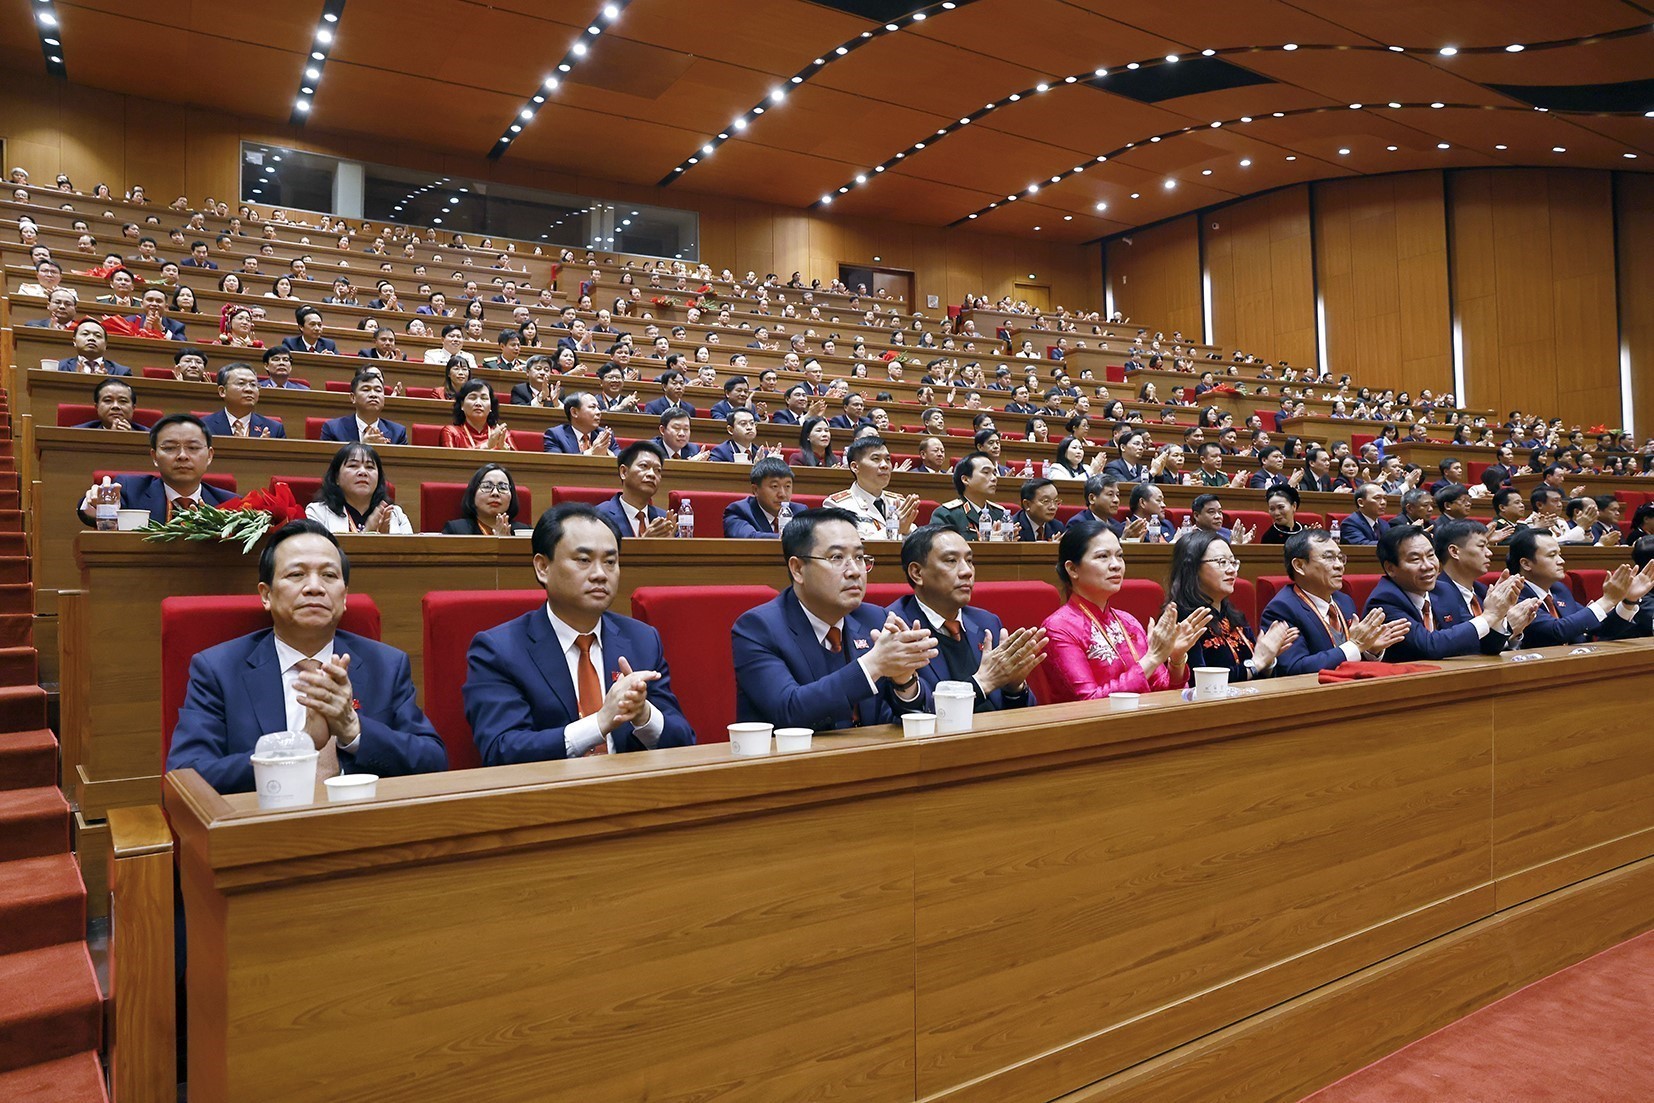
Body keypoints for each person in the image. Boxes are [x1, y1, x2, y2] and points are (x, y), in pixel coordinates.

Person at [165, 520, 446, 793]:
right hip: (267, 821)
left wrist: (353, 729)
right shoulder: (218, 670)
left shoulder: (386, 665)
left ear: (344, 597)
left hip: (364, 819)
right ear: (266, 595)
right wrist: (299, 746)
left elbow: (433, 761)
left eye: (329, 575)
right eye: (296, 574)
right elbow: (184, 778)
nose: (315, 587)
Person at [463, 503, 696, 763]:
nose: (600, 574)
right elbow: (501, 750)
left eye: (610, 562)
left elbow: (683, 742)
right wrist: (599, 723)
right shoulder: (498, 650)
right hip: (549, 788)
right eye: (584, 560)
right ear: (543, 567)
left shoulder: (642, 640)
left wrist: (644, 715)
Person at [731, 508, 937, 730]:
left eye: (859, 557)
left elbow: (916, 713)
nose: (855, 571)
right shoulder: (758, 628)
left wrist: (904, 680)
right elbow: (788, 710)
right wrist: (873, 665)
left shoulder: (876, 619)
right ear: (798, 569)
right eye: (837, 557)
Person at [1040, 519, 1209, 701]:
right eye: (1102, 556)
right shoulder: (1058, 628)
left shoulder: (1128, 621)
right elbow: (1088, 701)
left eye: (1119, 555)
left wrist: (1176, 659)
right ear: (1073, 569)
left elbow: (1165, 692)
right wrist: (1152, 658)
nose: (1116, 565)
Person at [887, 526, 1046, 709]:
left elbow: (1019, 714)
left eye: (969, 561)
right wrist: (980, 684)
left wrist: (1014, 688)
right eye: (951, 560)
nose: (967, 571)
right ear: (917, 573)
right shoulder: (896, 629)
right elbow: (911, 714)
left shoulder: (987, 622)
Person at [1363, 525, 1530, 661]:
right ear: (1391, 568)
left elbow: (1482, 644)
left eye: (1431, 555)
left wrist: (1499, 616)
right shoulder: (1384, 600)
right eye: (1415, 559)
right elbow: (1429, 647)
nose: (1428, 566)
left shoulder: (1444, 590)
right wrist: (1490, 615)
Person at [1258, 530, 1411, 675]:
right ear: (1299, 566)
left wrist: (1369, 650)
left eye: (1340, 557)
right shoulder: (1282, 609)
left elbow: (1352, 657)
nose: (1339, 565)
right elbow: (1294, 669)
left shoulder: (1344, 601)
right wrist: (1355, 645)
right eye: (1329, 557)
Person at [1165, 529, 1298, 682]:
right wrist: (1256, 663)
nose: (1232, 570)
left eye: (1233, 562)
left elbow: (1256, 672)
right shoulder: (1181, 619)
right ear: (1192, 567)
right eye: (1222, 562)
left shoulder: (1233, 616)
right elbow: (1199, 682)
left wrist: (1267, 661)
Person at [74, 414, 235, 525]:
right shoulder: (131, 490)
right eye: (170, 448)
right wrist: (98, 506)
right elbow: (92, 512)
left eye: (193, 448)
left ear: (209, 456)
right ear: (154, 456)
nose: (182, 456)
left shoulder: (230, 504)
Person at [1505, 529, 1651, 646]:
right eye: (1552, 555)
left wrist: (1629, 601)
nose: (1561, 561)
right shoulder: (1514, 595)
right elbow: (1557, 631)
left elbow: (1602, 627)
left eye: (1559, 554)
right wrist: (1607, 600)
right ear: (1526, 564)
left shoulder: (1559, 590)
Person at [1433, 519, 1541, 643]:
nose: (1489, 553)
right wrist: (1505, 624)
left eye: (1487, 546)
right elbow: (1459, 645)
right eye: (1481, 546)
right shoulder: (1436, 595)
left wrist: (1512, 635)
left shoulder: (1483, 591)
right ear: (1454, 551)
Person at [822, 436, 920, 539]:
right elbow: (849, 545)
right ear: (855, 467)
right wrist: (893, 528)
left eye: (887, 459)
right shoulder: (837, 505)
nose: (885, 465)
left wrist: (906, 532)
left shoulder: (899, 502)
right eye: (876, 459)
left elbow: (917, 545)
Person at [306, 444, 413, 534]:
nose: (363, 472)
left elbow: (411, 551)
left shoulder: (396, 514)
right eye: (353, 466)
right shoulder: (317, 512)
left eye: (370, 467)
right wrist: (368, 533)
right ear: (336, 478)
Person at [594, 440, 673, 538]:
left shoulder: (664, 520)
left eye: (658, 470)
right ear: (624, 472)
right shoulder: (600, 516)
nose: (652, 474)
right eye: (644, 466)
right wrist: (645, 543)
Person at [930, 452, 1011, 539]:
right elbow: (940, 546)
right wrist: (989, 542)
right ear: (965, 479)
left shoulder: (1000, 514)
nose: (994, 478)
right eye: (986, 472)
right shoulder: (946, 514)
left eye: (994, 473)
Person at [319, 371, 408, 445]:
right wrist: (363, 446)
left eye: (378, 390)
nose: (373, 395)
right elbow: (328, 460)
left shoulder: (398, 432)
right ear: (353, 397)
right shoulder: (333, 429)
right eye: (366, 390)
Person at [441, 463, 532, 535]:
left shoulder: (524, 532)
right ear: (473, 493)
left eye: (503, 487)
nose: (495, 493)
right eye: (487, 486)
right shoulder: (455, 530)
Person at [201, 363, 286, 439]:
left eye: (253, 384)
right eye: (241, 383)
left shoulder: (275, 429)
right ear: (222, 391)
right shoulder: (203, 425)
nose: (249, 389)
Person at [723, 457, 794, 538]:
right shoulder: (739, 511)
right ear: (755, 490)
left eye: (787, 486)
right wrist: (792, 539)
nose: (783, 494)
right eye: (775, 486)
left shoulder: (800, 512)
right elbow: (750, 538)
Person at [439, 379, 514, 450]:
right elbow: (450, 459)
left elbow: (517, 458)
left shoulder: (502, 435)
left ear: (491, 406)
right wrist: (486, 446)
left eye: (484, 398)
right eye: (472, 398)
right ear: (462, 405)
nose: (478, 403)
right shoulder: (451, 432)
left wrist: (505, 452)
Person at [542, 392, 614, 456]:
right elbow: (556, 463)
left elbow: (619, 461)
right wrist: (591, 452)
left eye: (598, 408)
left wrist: (607, 453)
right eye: (592, 407)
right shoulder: (555, 435)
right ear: (574, 412)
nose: (598, 412)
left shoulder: (605, 435)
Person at [58, 318, 133, 375]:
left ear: (105, 344)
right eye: (85, 334)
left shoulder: (121, 372)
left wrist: (105, 383)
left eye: (98, 336)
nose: (91, 338)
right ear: (74, 341)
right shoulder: (59, 367)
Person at [73, 376, 149, 432]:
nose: (115, 406)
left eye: (122, 401)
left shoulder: (149, 436)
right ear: (97, 406)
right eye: (108, 400)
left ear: (133, 408)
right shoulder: (77, 433)